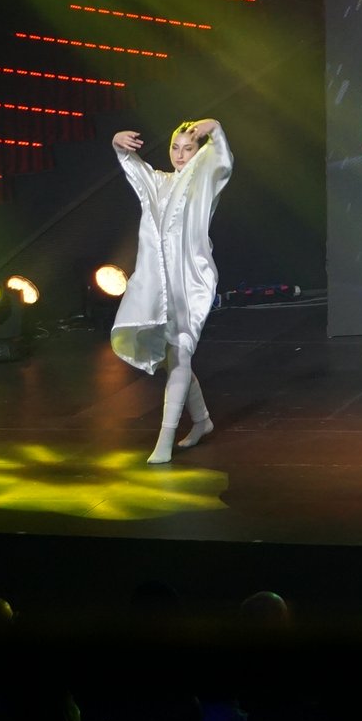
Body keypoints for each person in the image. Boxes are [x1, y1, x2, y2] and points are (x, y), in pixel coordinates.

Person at [110, 118, 231, 464]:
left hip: (189, 282)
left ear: (198, 152)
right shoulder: (159, 182)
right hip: (158, 283)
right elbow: (135, 168)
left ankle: (165, 438)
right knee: (172, 358)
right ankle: (202, 420)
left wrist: (215, 128)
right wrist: (117, 142)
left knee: (179, 353)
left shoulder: (203, 181)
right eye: (175, 148)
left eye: (188, 148)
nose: (180, 154)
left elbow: (222, 161)